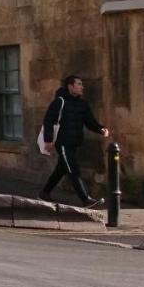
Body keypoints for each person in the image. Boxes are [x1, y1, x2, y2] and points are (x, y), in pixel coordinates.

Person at [39, 74, 110, 207]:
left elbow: (90, 122)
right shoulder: (60, 101)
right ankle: (85, 199)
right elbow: (49, 120)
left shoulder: (82, 104)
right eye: (79, 84)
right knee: (73, 169)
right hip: (63, 142)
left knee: (61, 169)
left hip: (74, 142)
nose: (82, 87)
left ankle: (45, 192)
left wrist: (101, 129)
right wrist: (48, 140)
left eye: (81, 84)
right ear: (70, 86)